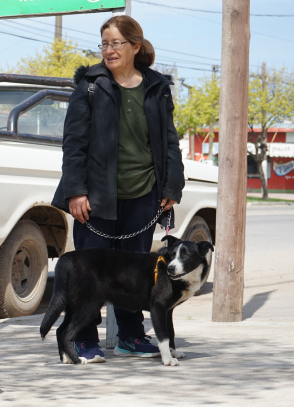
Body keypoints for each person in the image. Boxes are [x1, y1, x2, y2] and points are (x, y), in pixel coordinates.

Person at [51, 15, 184, 363]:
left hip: (144, 196)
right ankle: (82, 340)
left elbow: (169, 142)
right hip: (95, 198)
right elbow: (74, 143)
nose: (109, 50)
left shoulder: (156, 88)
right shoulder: (90, 85)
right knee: (90, 272)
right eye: (104, 44)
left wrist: (172, 186)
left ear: (134, 46)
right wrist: (75, 190)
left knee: (136, 273)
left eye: (116, 43)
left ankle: (131, 337)